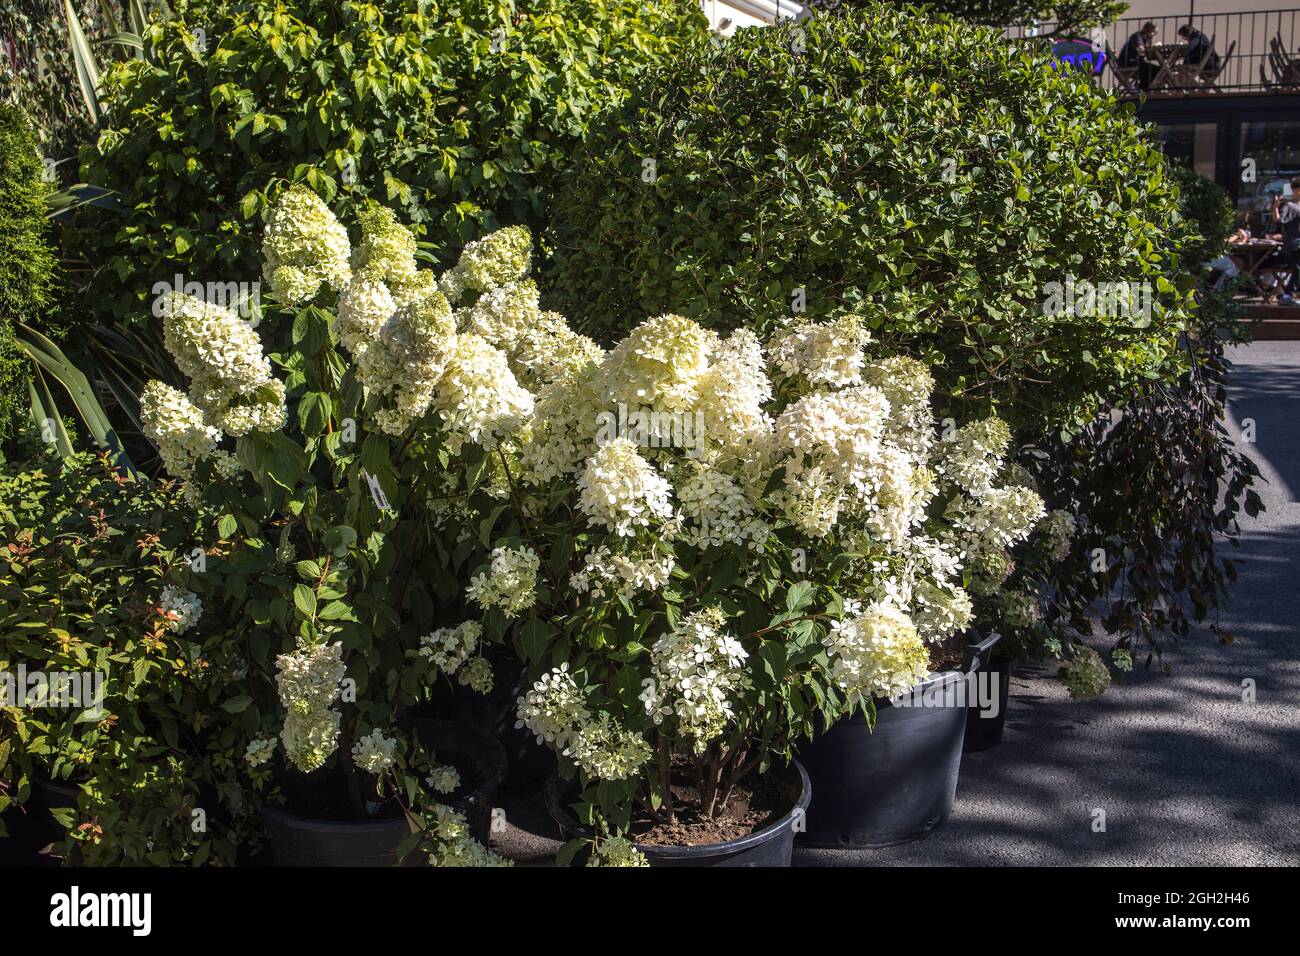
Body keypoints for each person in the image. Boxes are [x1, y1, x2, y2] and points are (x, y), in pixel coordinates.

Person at [1271, 179, 1300, 305]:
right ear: (1298, 191)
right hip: (1294, 245)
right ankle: (1288, 294)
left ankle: (1287, 294)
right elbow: (1277, 219)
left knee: (1297, 270)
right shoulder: (1289, 206)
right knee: (1297, 269)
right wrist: (1275, 206)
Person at [1118, 22, 1159, 90]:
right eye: (1153, 32)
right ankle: (1143, 89)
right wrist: (1149, 49)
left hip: (1136, 62)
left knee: (1156, 69)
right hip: (1127, 62)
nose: (1154, 35)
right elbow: (1140, 49)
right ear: (1148, 30)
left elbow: (1146, 53)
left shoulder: (1147, 40)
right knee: (1153, 69)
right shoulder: (1137, 36)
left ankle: (1143, 88)